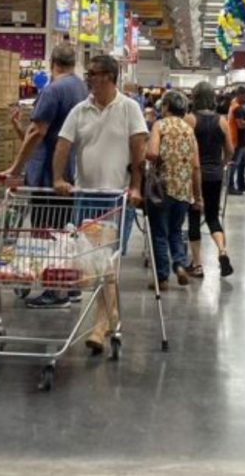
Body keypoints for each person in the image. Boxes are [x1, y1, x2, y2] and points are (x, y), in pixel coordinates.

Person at [54, 55, 147, 354]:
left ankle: (99, 326)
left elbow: (138, 151)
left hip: (116, 197)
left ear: (109, 76)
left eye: (92, 74)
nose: (88, 79)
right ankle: (112, 316)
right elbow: (63, 145)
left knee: (107, 262)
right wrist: (58, 177)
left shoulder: (129, 108)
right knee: (93, 263)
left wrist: (135, 186)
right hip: (85, 195)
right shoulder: (80, 111)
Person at [0, 45, 89, 310]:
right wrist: (19, 128)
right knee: (63, 233)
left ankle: (55, 291)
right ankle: (68, 286)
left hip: (49, 175)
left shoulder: (53, 90)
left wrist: (15, 169)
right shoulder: (80, 88)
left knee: (46, 232)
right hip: (69, 172)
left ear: (53, 63)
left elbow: (38, 133)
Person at [145, 90, 202, 289]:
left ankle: (162, 278)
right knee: (176, 231)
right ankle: (179, 264)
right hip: (184, 190)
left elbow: (152, 153)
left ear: (166, 107)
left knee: (159, 232)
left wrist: (157, 158)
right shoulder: (189, 130)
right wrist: (198, 197)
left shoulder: (159, 125)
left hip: (161, 189)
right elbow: (196, 166)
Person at [185, 81, 235, 278]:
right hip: (215, 175)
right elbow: (230, 150)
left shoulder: (190, 119)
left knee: (194, 217)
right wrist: (221, 164)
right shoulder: (221, 121)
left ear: (195, 97)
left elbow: (185, 149)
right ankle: (222, 251)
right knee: (213, 217)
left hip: (194, 176)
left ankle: (197, 265)